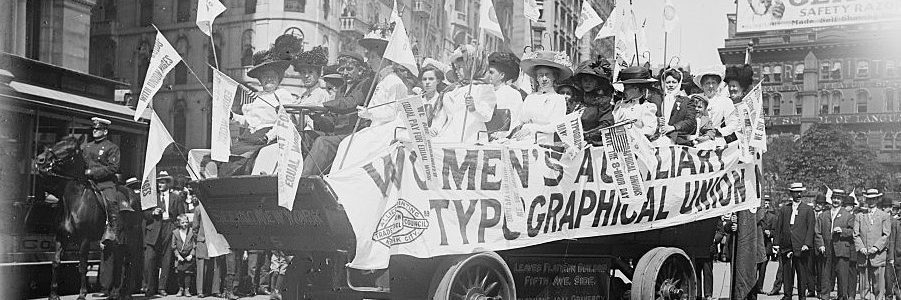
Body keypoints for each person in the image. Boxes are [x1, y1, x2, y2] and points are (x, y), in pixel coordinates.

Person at [331, 24, 411, 171]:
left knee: (352, 145)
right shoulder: (382, 80)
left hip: (387, 129)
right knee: (346, 144)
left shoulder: (394, 82)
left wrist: (369, 113)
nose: (368, 61)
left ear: (384, 60)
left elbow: (391, 113)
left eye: (373, 57)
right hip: (376, 127)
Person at [300, 51, 374, 176]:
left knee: (323, 142)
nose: (345, 73)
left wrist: (323, 106)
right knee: (304, 136)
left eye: (350, 69)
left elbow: (350, 103)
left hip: (354, 135)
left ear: (360, 71)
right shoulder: (342, 89)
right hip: (338, 134)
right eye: (343, 69)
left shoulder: (365, 86)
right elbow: (331, 123)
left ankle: (304, 178)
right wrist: (317, 117)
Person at [430, 44, 497, 144]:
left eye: (461, 67)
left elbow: (487, 116)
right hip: (448, 134)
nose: (457, 71)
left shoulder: (484, 88)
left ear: (472, 67)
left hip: (470, 137)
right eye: (456, 67)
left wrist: (474, 109)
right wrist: (434, 128)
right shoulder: (453, 89)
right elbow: (442, 116)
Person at [512, 50, 573, 144]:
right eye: (540, 75)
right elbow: (520, 119)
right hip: (523, 137)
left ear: (554, 77)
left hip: (543, 140)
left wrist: (532, 129)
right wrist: (511, 132)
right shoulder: (531, 97)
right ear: (536, 78)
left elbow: (555, 126)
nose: (544, 79)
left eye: (547, 75)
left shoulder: (558, 99)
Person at [82, 117, 124, 246]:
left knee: (111, 201)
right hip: (87, 181)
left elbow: (113, 167)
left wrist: (93, 172)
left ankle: (112, 232)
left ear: (105, 132)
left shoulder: (112, 147)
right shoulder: (87, 147)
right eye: (94, 129)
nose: (95, 131)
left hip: (105, 183)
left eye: (98, 129)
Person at [143, 171, 187, 296]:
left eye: (162, 182)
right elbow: (144, 214)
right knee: (150, 258)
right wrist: (152, 213)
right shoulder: (152, 197)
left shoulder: (176, 197)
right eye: (158, 182)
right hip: (154, 228)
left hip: (169, 227)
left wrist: (176, 229)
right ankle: (149, 288)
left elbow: (181, 215)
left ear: (168, 183)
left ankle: (162, 287)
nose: (159, 185)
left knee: (167, 259)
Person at [775, 182, 816, 300]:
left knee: (802, 273)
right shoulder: (784, 209)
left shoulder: (808, 210)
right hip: (787, 245)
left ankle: (802, 296)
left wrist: (807, 244)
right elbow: (779, 227)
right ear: (791, 193)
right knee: (787, 273)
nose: (798, 194)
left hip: (801, 246)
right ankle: (787, 295)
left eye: (800, 192)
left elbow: (810, 228)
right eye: (795, 192)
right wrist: (776, 244)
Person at [855, 188, 892, 300]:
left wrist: (876, 247)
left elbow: (886, 234)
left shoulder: (884, 216)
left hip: (878, 255)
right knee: (864, 286)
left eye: (873, 199)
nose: (871, 201)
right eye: (869, 199)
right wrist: (861, 247)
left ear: (877, 200)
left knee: (879, 286)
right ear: (866, 200)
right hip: (863, 256)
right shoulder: (860, 216)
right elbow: (855, 234)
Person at [692, 65, 740, 146]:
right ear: (702, 85)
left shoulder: (725, 101)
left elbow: (733, 123)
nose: (711, 86)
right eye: (707, 83)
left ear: (717, 85)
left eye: (713, 83)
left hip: (715, 141)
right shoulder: (693, 99)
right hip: (695, 140)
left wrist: (719, 132)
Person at [570, 56, 615, 141]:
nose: (588, 83)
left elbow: (607, 124)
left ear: (597, 83)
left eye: (591, 81)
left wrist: (587, 135)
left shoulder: (603, 102)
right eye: (585, 80)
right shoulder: (575, 100)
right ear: (581, 81)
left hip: (593, 144)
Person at [485, 52, 524, 140]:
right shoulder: (485, 91)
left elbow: (513, 121)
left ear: (502, 75)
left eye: (491, 72)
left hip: (501, 140)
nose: (487, 75)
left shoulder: (512, 94)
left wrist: (497, 136)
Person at [612, 66, 659, 139]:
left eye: (626, 88)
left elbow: (650, 129)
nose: (624, 91)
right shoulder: (620, 104)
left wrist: (632, 135)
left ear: (636, 88)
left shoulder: (646, 107)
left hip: (637, 143)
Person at [656, 68, 697, 146]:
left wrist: (673, 127)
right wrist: (656, 120)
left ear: (679, 83)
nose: (671, 85)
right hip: (656, 136)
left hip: (677, 139)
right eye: (668, 82)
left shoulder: (687, 101)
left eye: (674, 82)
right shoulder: (656, 99)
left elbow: (690, 121)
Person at [830, 190, 858, 300]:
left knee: (850, 273)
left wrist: (842, 231)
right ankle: (842, 293)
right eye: (846, 205)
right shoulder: (837, 215)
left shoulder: (853, 217)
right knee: (840, 273)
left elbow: (854, 232)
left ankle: (850, 294)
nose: (847, 207)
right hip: (841, 248)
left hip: (852, 248)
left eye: (850, 205)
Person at [815, 192, 842, 299]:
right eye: (834, 198)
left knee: (840, 273)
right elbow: (817, 232)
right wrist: (820, 245)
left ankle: (841, 295)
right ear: (831, 199)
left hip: (840, 248)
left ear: (842, 200)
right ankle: (825, 295)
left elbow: (851, 231)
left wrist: (842, 231)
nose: (836, 201)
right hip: (826, 247)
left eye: (838, 198)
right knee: (825, 273)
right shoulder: (823, 215)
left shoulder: (846, 214)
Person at [172, 214, 196, 297]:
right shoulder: (175, 233)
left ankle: (187, 289)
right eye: (182, 222)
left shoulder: (191, 232)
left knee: (188, 273)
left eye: (186, 222)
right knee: (180, 273)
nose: (185, 224)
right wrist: (178, 255)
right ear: (178, 223)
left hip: (188, 256)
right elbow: (173, 246)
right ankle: (180, 288)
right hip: (179, 257)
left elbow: (194, 245)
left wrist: (191, 255)